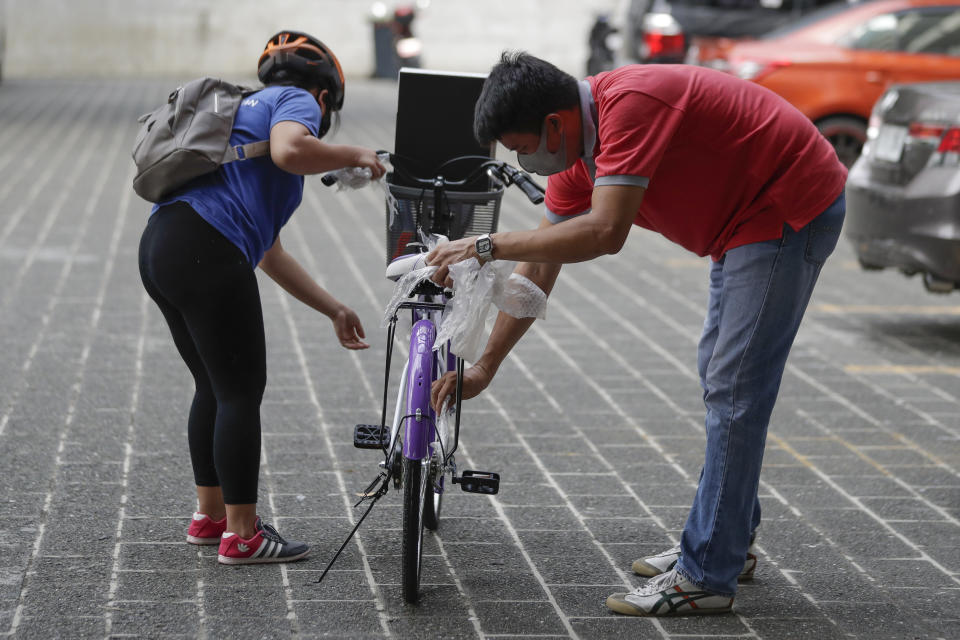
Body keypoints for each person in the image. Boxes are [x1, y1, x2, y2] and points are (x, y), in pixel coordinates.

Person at [427, 51, 846, 615]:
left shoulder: (631, 105)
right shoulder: (577, 156)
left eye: (524, 147)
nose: (526, 160)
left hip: (785, 203)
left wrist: (486, 244)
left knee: (734, 388)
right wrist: (484, 366)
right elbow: (539, 273)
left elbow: (604, 232)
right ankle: (728, 541)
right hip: (737, 225)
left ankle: (707, 575)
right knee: (722, 379)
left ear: (556, 124)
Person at [138, 31, 385, 565]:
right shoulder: (294, 100)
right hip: (207, 247)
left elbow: (268, 253)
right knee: (240, 391)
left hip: (162, 245)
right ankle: (243, 535)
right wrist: (357, 152)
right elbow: (293, 148)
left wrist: (334, 308)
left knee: (214, 384)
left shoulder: (242, 113)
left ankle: (211, 518)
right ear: (323, 97)